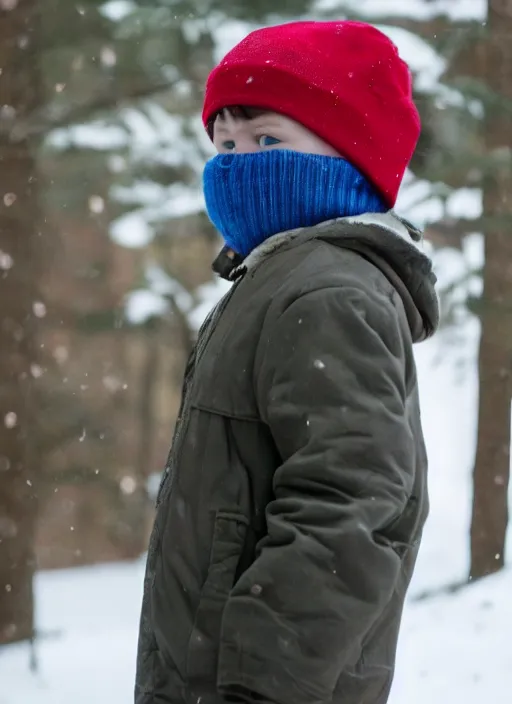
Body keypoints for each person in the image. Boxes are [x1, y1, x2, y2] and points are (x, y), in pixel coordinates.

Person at [135, 20, 439, 704]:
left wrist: (266, 682)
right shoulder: (272, 281)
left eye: (269, 140)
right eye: (225, 143)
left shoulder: (324, 291)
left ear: (350, 155)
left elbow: (350, 503)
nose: (239, 164)